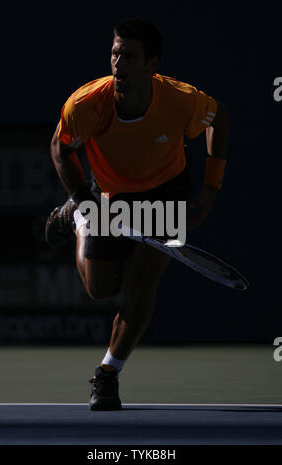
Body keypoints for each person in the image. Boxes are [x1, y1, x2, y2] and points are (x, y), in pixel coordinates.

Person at [45, 18, 228, 410]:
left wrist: (210, 190)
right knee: (101, 289)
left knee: (144, 283)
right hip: (109, 195)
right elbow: (60, 149)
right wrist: (84, 200)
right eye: (114, 53)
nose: (118, 63)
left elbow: (218, 119)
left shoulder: (183, 100)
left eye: (129, 56)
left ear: (151, 65)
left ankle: (108, 374)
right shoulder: (85, 105)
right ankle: (77, 219)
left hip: (167, 190)